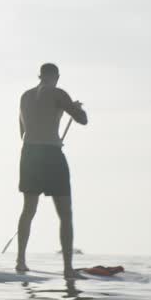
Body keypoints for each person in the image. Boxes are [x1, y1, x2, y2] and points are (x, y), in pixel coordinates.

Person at [15, 62, 88, 278]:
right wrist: (76, 107)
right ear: (55, 76)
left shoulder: (25, 96)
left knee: (28, 209)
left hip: (28, 154)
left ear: (40, 75)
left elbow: (23, 132)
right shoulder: (59, 93)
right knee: (65, 213)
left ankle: (20, 261)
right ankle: (67, 268)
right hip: (51, 155)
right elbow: (82, 120)